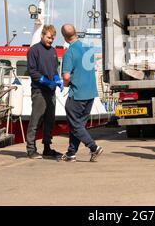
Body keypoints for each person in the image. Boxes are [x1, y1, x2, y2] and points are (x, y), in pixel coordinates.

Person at [60, 24, 103, 162]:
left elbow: (66, 77)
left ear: (64, 38)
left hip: (77, 94)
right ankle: (71, 153)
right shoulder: (88, 48)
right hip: (90, 93)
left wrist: (65, 84)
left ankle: (93, 147)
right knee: (79, 126)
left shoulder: (69, 52)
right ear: (75, 33)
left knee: (75, 125)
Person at [26, 25, 63, 159]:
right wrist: (45, 81)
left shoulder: (53, 51)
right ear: (42, 35)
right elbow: (32, 71)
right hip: (39, 91)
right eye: (48, 37)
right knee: (36, 120)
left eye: (52, 38)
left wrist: (57, 80)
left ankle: (47, 147)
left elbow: (54, 70)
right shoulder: (33, 51)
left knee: (49, 120)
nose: (50, 40)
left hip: (51, 91)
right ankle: (31, 149)